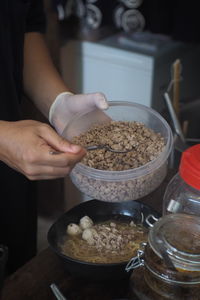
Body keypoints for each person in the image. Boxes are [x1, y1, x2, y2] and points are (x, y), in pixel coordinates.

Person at [0, 1, 108, 274]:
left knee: (18, 275)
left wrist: (59, 103)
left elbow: (23, 26)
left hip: (13, 175)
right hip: (9, 144)